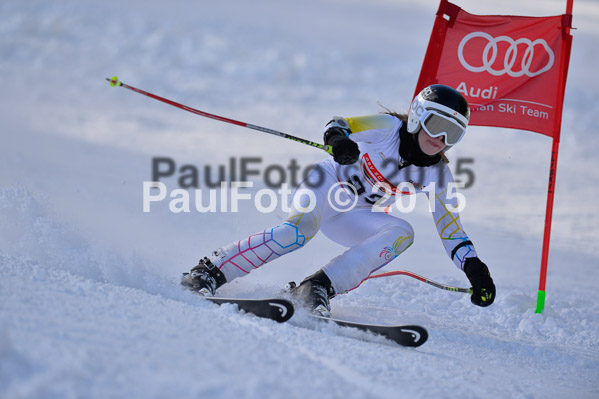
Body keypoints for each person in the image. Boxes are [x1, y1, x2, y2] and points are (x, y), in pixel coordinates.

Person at [181, 84, 496, 316]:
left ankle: (316, 287)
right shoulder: (388, 129)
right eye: (437, 125)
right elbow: (340, 123)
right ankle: (210, 270)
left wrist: (475, 270)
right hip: (325, 185)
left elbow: (452, 233)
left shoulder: (438, 175)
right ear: (417, 117)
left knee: (402, 233)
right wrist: (339, 141)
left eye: (453, 134)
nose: (441, 139)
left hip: (354, 214)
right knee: (296, 233)